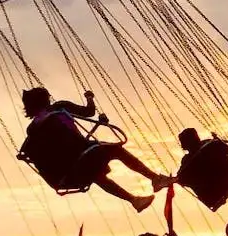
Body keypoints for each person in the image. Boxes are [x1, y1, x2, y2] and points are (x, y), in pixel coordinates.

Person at [18, 86, 168, 210]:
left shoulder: (32, 130)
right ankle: (155, 178)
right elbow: (89, 112)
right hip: (80, 156)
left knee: (95, 175)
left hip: (67, 171)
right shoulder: (58, 108)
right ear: (47, 99)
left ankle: (133, 200)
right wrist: (89, 97)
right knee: (115, 150)